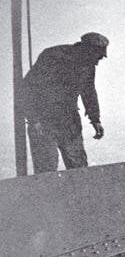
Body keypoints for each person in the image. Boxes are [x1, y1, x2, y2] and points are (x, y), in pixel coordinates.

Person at [21, 32, 109, 174]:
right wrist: (34, 119)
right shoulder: (52, 56)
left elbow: (89, 92)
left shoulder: (88, 65)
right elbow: (28, 87)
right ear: (87, 50)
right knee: (46, 172)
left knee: (79, 169)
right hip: (43, 122)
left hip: (69, 122)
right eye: (97, 57)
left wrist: (95, 119)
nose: (97, 62)